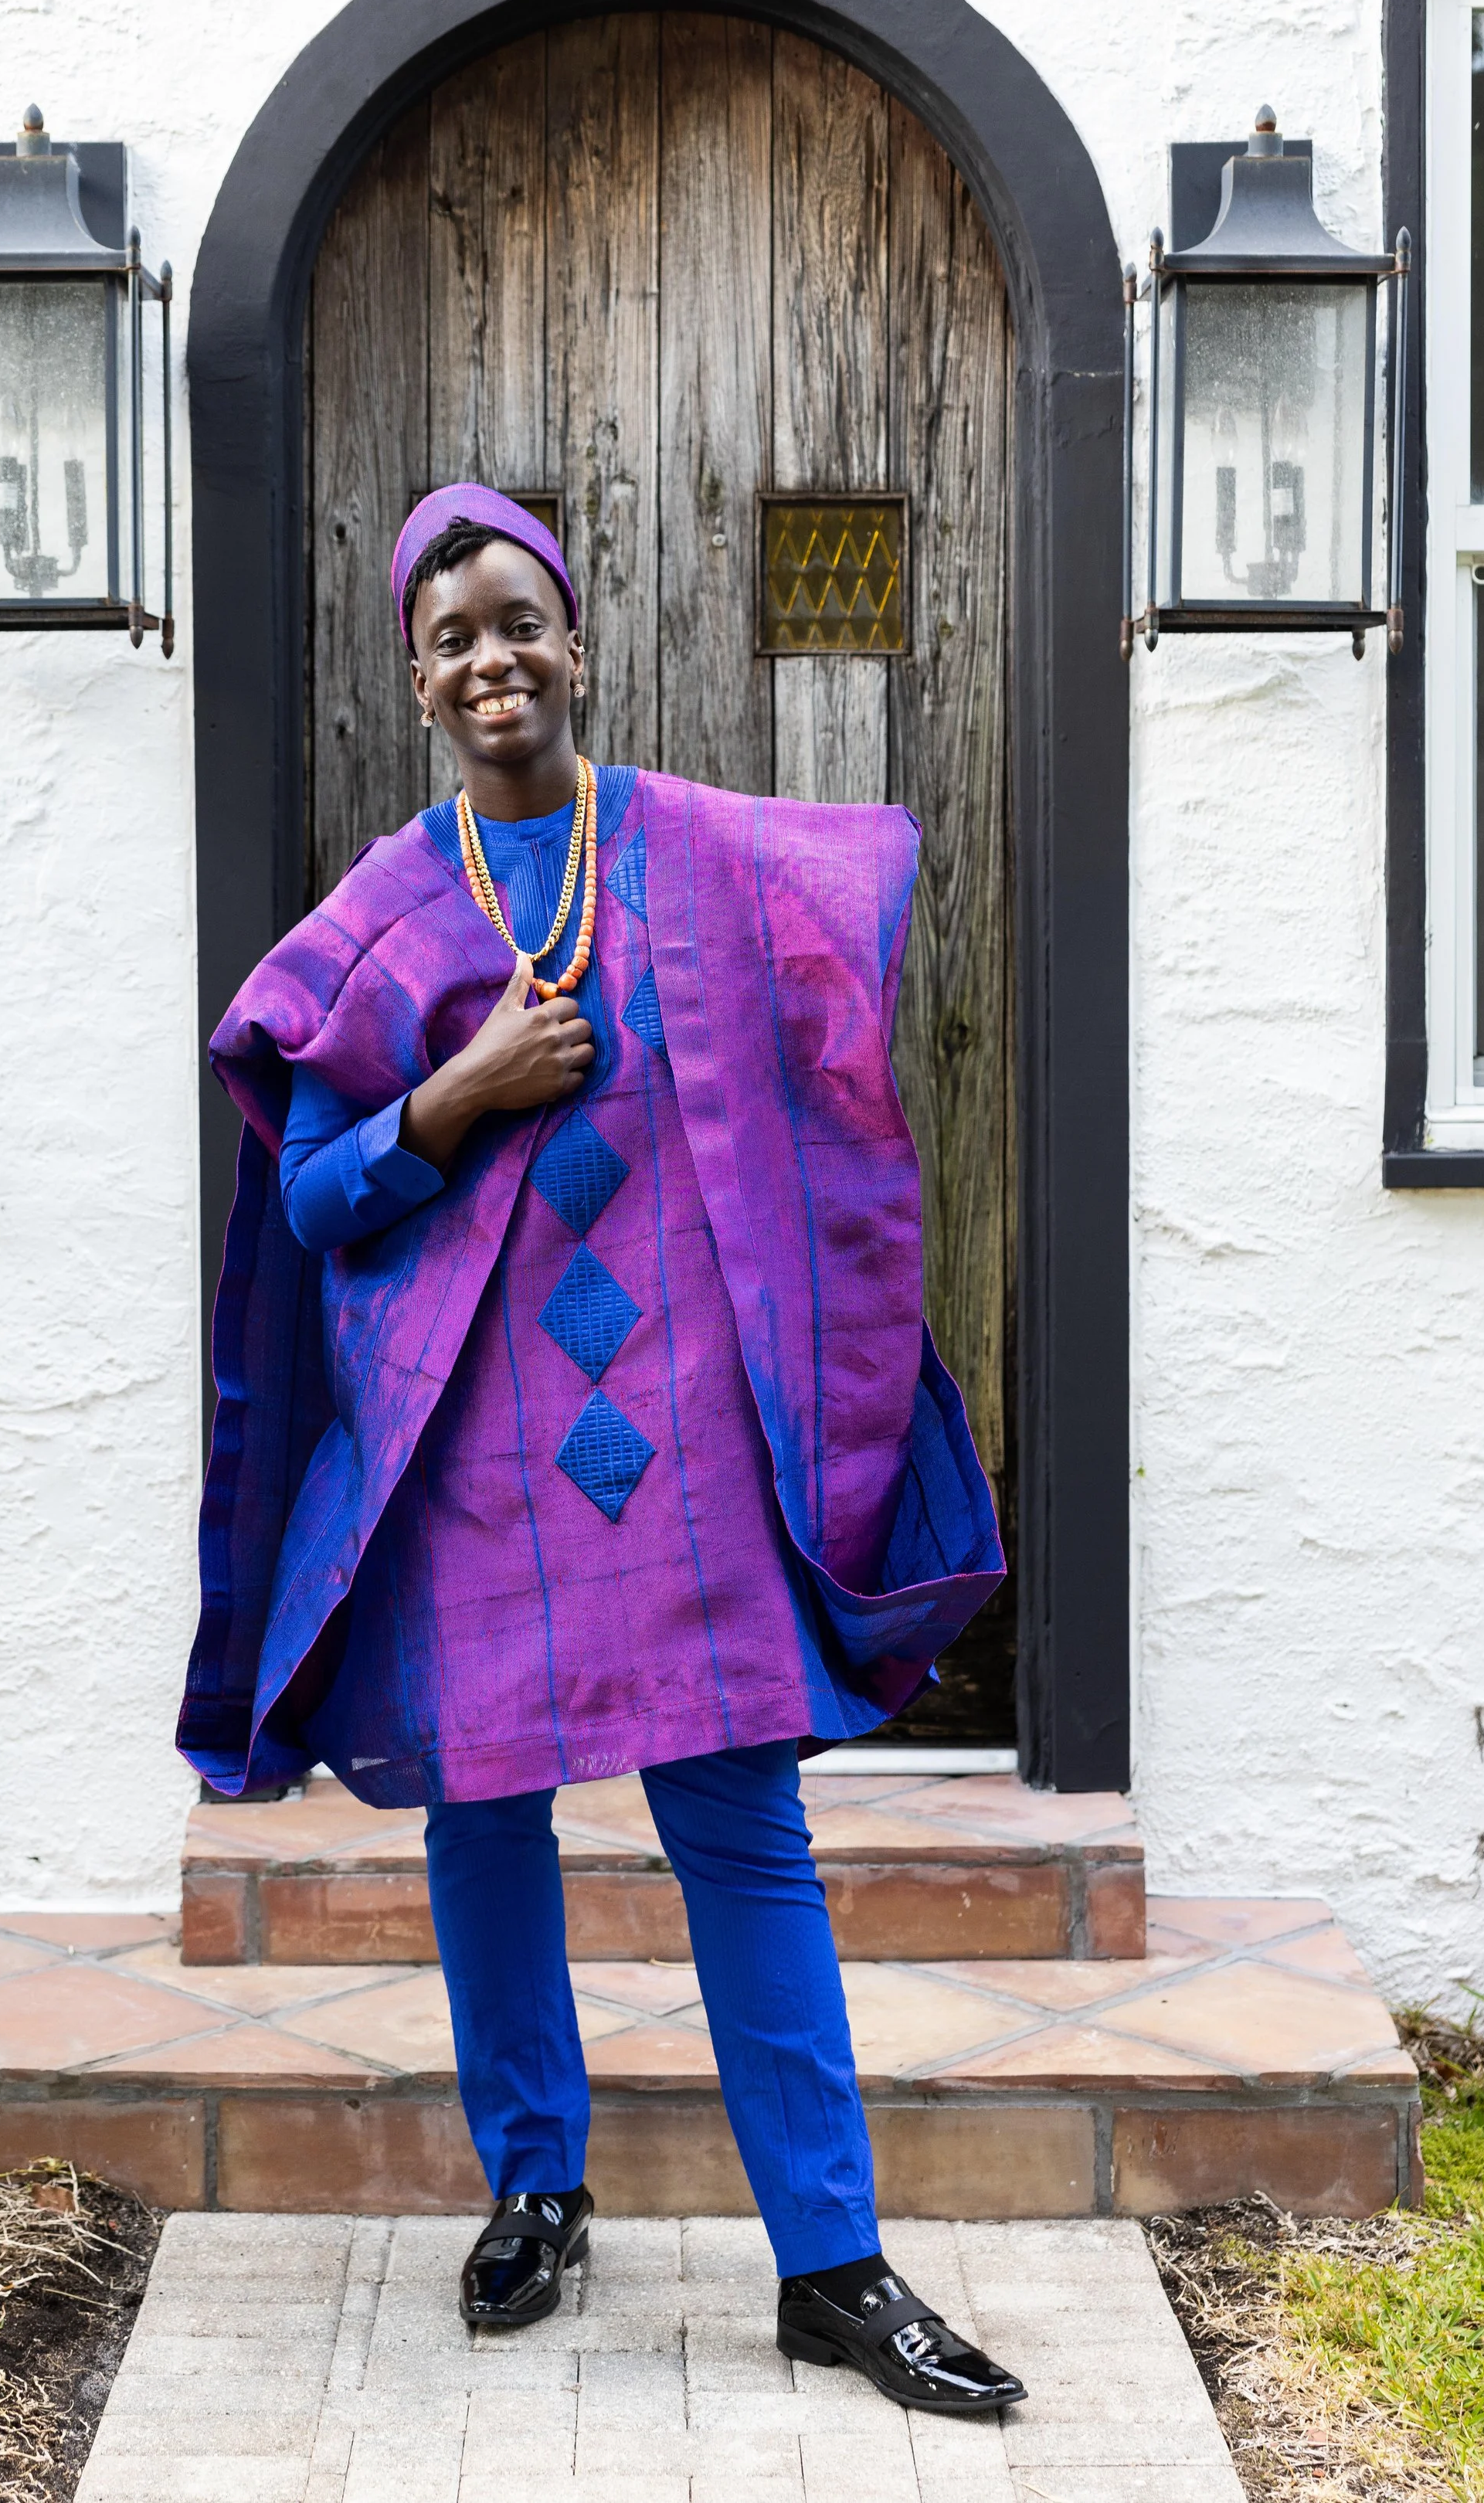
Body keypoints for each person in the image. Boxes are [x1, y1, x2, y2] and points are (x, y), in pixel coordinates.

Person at [180, 484, 1023, 2415]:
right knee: (486, 1818)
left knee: (744, 1832)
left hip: (687, 1449)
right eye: (454, 636)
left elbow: (837, 1060)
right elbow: (309, 1203)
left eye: (520, 621)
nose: (493, 658)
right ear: (416, 681)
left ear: (577, 641)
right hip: (474, 1454)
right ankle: (535, 2188)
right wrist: (455, 1096)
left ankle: (832, 2259)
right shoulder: (387, 914)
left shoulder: (707, 856)